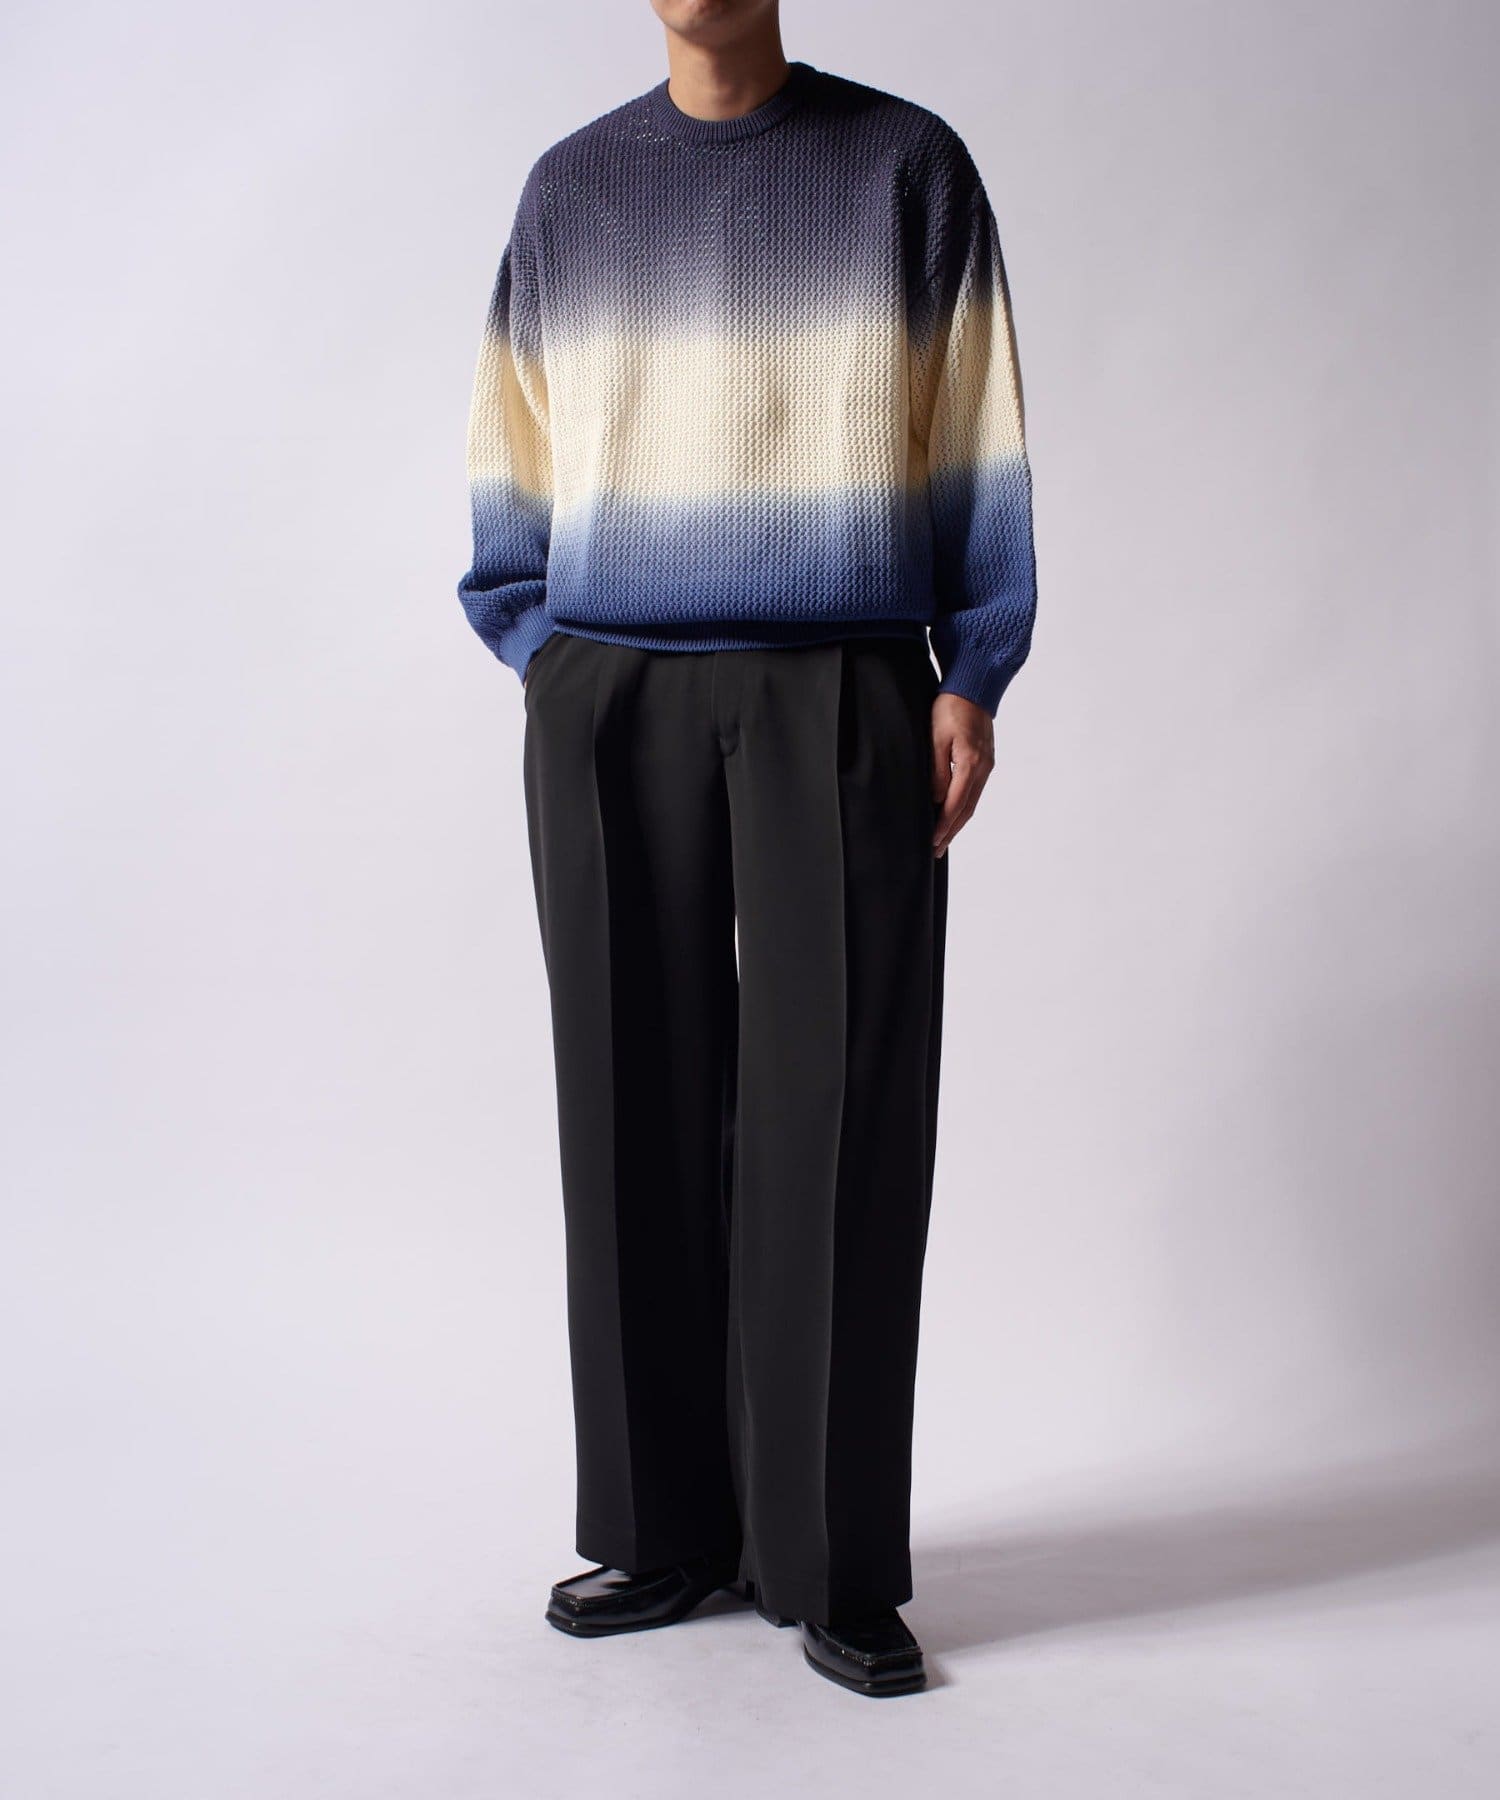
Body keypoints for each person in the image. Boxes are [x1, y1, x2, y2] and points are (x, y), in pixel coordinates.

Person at [455, 0, 1035, 1699]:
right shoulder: (574, 189)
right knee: (625, 1098)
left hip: (843, 678)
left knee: (837, 1113)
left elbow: (976, 426)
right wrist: (546, 653)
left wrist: (971, 669)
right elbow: (510, 439)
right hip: (610, 684)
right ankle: (662, 1530)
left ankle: (830, 1556)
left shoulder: (905, 168)